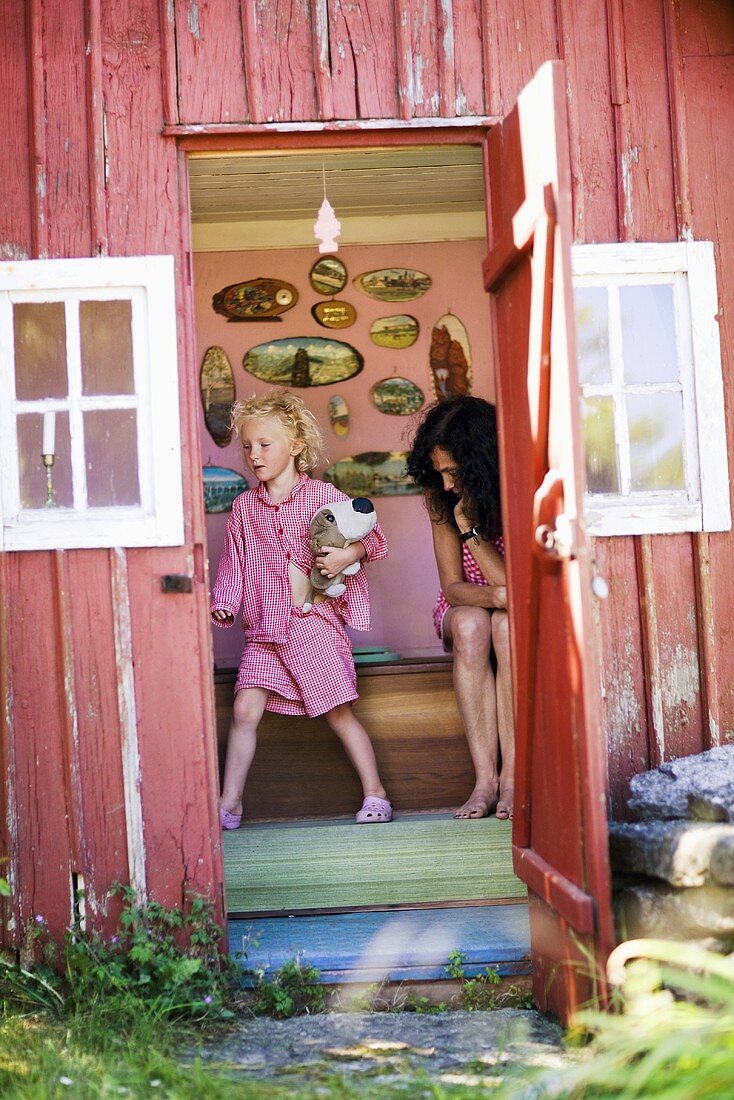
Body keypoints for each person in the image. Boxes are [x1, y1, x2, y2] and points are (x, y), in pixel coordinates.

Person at [211, 390, 392, 829]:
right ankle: (229, 803)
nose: (254, 455)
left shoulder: (324, 497)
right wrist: (224, 602)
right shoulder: (244, 508)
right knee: (244, 710)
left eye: (265, 445)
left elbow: (374, 539)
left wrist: (347, 557)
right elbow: (235, 560)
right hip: (264, 631)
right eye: (248, 446)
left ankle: (376, 794)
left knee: (338, 711)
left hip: (312, 625)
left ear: (295, 445)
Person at [406, 396, 513, 821]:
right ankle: (485, 780)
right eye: (440, 472)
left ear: (479, 460)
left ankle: (515, 779)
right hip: (468, 604)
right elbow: (452, 588)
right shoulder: (440, 501)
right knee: (471, 626)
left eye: (453, 471)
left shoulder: (511, 492)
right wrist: (495, 597)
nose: (447, 484)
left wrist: (470, 528)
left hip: (507, 612)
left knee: (506, 627)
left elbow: (511, 584)